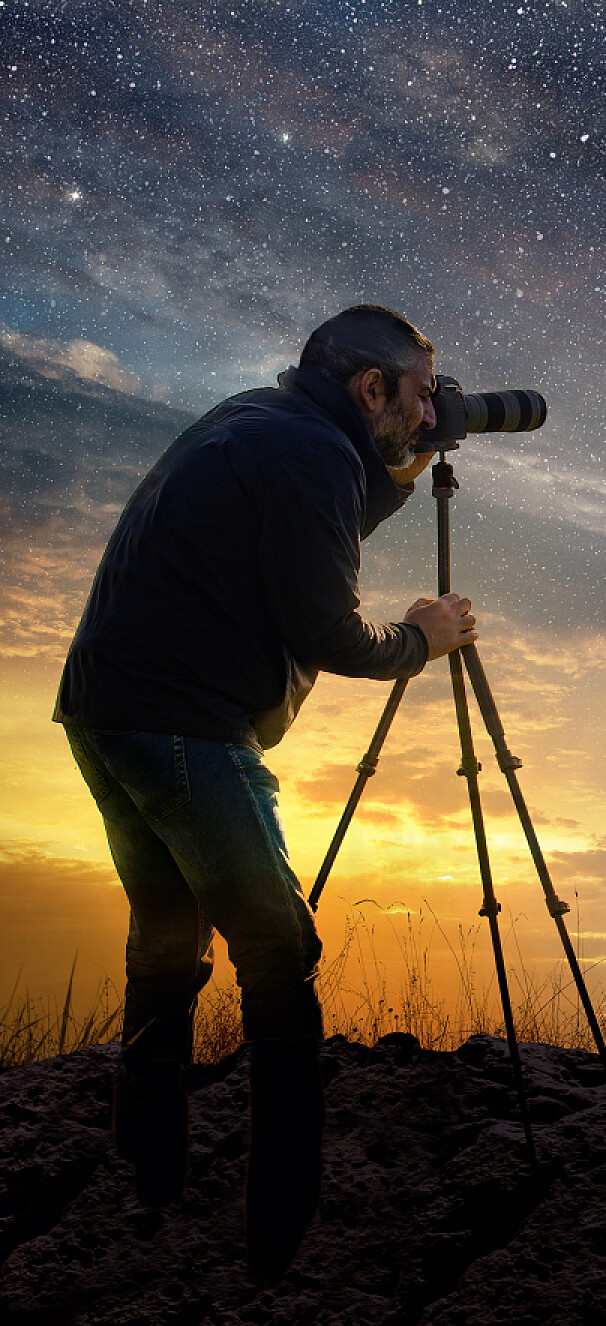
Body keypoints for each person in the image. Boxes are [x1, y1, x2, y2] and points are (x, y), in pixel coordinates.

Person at [53, 305, 476, 1280]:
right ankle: (279, 1239)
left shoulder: (263, 419)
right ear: (372, 388)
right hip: (186, 725)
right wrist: (424, 638)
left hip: (107, 712)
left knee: (167, 936)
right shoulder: (312, 455)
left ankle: (144, 1179)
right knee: (280, 953)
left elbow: (331, 514)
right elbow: (328, 629)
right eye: (417, 399)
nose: (428, 416)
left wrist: (403, 462)